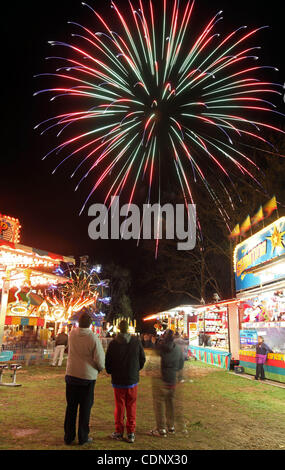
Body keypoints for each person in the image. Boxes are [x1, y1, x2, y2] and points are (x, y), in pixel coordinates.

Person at [64, 309, 105, 445]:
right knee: (85, 408)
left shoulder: (72, 334)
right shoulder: (92, 337)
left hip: (71, 374)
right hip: (87, 377)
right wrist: (100, 368)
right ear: (90, 324)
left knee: (71, 407)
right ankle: (83, 436)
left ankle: (68, 436)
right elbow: (99, 359)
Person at [105, 319, 146, 444]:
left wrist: (111, 371)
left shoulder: (113, 343)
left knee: (120, 405)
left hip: (118, 379)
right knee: (131, 405)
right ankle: (131, 432)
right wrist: (135, 370)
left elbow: (108, 362)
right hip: (132, 379)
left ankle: (119, 431)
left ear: (118, 329)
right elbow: (142, 359)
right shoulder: (136, 341)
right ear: (128, 329)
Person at [149, 329, 185, 437]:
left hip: (161, 379)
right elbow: (180, 364)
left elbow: (152, 364)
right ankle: (171, 427)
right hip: (172, 379)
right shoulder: (178, 349)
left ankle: (161, 429)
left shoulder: (159, 348)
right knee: (170, 404)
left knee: (159, 404)